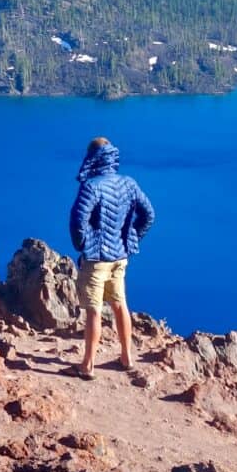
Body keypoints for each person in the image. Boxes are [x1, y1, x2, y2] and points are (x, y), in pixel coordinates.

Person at [64, 137, 155, 380]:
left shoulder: (91, 186)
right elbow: (149, 214)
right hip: (120, 257)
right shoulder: (129, 183)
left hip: (97, 260)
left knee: (93, 310)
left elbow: (77, 221)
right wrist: (131, 238)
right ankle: (126, 358)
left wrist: (84, 246)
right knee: (119, 304)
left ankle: (87, 366)